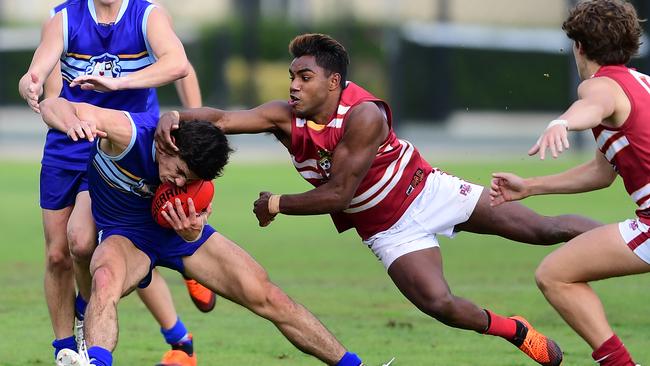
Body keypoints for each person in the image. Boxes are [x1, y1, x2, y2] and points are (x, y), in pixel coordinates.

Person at [155, 33, 605, 365]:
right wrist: (172, 115)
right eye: (292, 76)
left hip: (429, 192)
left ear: (333, 83)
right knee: (440, 305)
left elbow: (339, 194)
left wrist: (276, 204)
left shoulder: (364, 114)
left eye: (304, 77)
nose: (293, 85)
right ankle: (516, 329)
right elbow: (221, 118)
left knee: (544, 230)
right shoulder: (283, 118)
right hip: (387, 229)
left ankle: (629, 240)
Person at [38, 96, 371, 366]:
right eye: (180, 171)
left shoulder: (194, 173)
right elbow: (54, 104)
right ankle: (96, 361)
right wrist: (73, 123)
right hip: (126, 235)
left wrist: (194, 229)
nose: (181, 182)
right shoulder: (127, 134)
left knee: (268, 296)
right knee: (105, 282)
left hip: (178, 236)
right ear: (169, 145)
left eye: (190, 179)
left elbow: (195, 208)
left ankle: (352, 364)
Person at [17, 1, 214, 364]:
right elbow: (47, 88)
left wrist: (194, 124)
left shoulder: (147, 16)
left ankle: (168, 311)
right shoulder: (63, 19)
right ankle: (71, 347)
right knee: (64, 251)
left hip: (125, 148)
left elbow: (178, 65)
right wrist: (30, 83)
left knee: (104, 244)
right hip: (70, 141)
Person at [489, 1, 649, 365]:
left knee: (555, 275)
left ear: (579, 47)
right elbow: (601, 173)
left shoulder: (601, 86)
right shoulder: (640, 83)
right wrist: (530, 186)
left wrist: (562, 123)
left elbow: (590, 106)